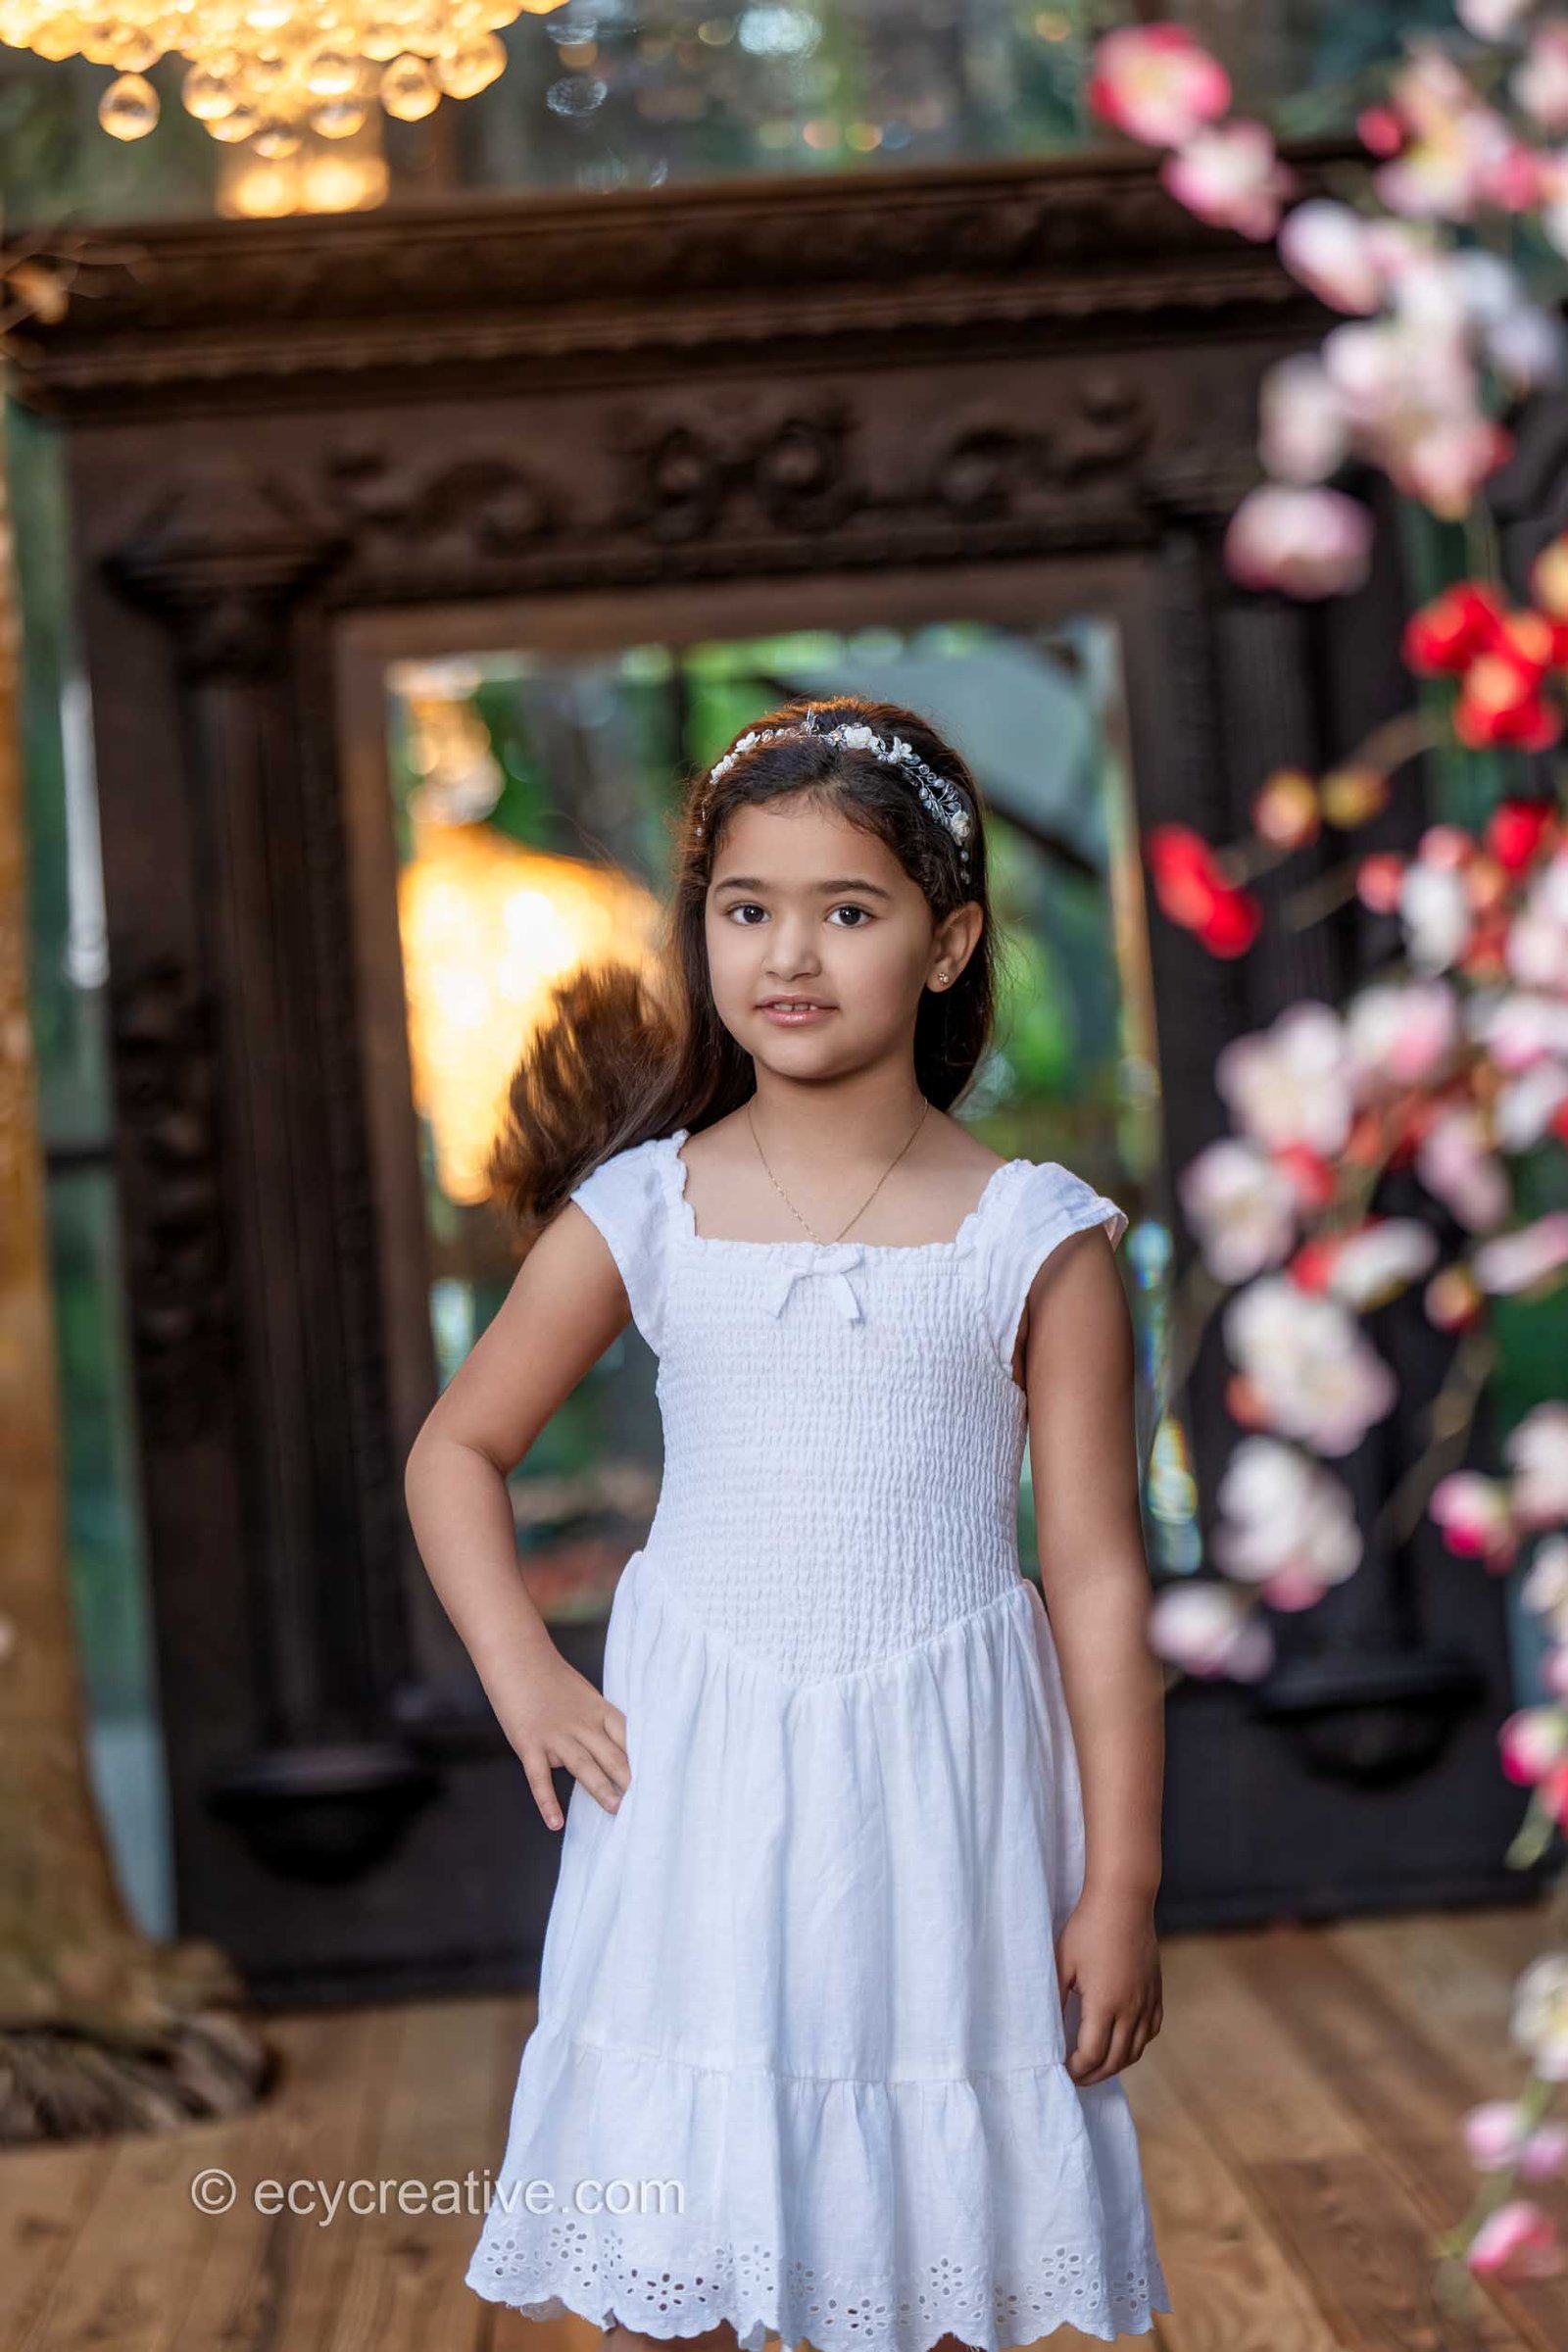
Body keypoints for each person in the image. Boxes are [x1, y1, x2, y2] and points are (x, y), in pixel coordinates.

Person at [405, 696, 1173, 2352]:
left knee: (934, 2248)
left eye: (850, 911)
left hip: (947, 1792)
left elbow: (1099, 1578)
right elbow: (456, 1448)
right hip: (700, 1774)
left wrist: (1122, 1879)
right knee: (681, 2239)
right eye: (748, 910)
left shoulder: (1035, 1239)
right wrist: (527, 1677)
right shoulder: (650, 1208)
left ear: (949, 943)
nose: (791, 955)